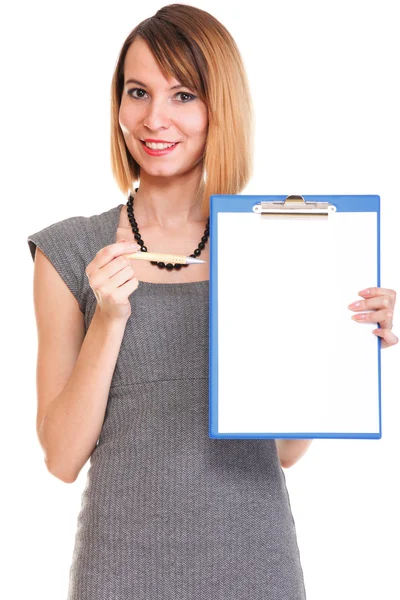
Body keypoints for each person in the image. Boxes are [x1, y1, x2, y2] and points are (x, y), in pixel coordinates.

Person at [27, 4, 398, 599]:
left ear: (218, 106)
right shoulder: (68, 250)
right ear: (117, 105)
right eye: (137, 91)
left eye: (183, 95)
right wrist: (112, 318)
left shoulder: (274, 244)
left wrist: (341, 344)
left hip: (257, 564)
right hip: (120, 571)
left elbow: (283, 451)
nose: (155, 118)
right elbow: (61, 458)